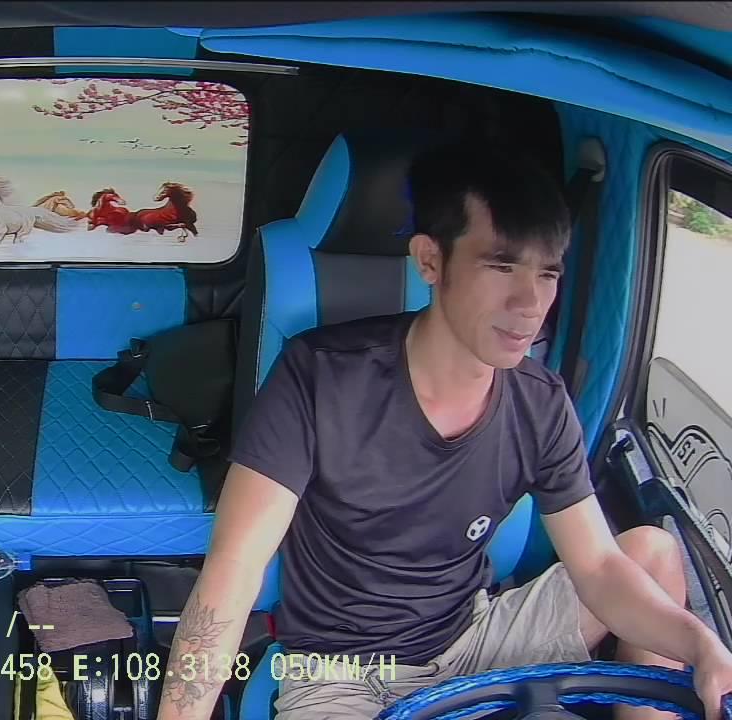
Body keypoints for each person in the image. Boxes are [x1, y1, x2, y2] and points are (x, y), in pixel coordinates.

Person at [155, 140, 732, 720]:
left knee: (652, 553)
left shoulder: (541, 402)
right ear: (430, 260)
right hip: (344, 675)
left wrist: (701, 645)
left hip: (477, 639)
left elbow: (600, 568)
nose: (530, 302)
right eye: (502, 266)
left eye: (547, 273)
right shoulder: (319, 376)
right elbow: (234, 571)